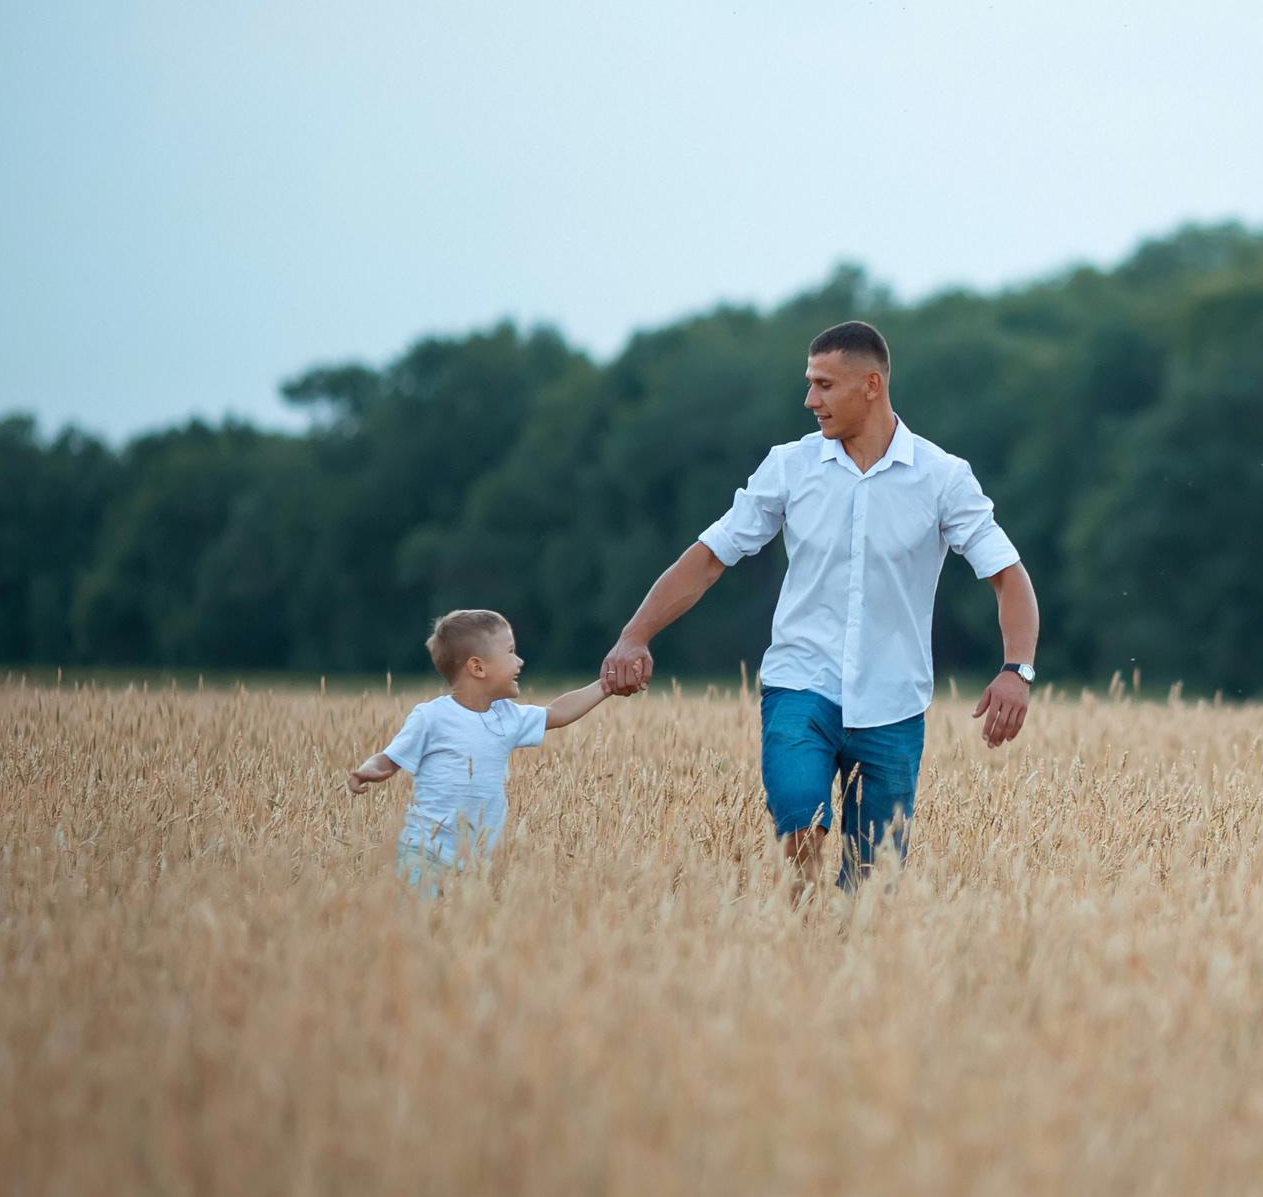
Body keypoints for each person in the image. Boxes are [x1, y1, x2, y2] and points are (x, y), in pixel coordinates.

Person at [599, 319, 1039, 889]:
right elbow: (710, 557)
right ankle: (801, 935)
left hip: (894, 702)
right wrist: (635, 635)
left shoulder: (944, 478)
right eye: (810, 384)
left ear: (872, 385)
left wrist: (1016, 669)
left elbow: (1008, 576)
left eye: (825, 385)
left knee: (872, 880)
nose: (810, 400)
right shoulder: (789, 466)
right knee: (801, 816)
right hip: (800, 684)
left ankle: (841, 957)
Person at [347, 608, 622, 889]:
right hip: (424, 855)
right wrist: (368, 770)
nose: (519, 661)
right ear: (478, 668)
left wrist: (605, 686)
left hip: (477, 866)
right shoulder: (431, 716)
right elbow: (390, 758)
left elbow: (557, 712)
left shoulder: (508, 717)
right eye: (511, 652)